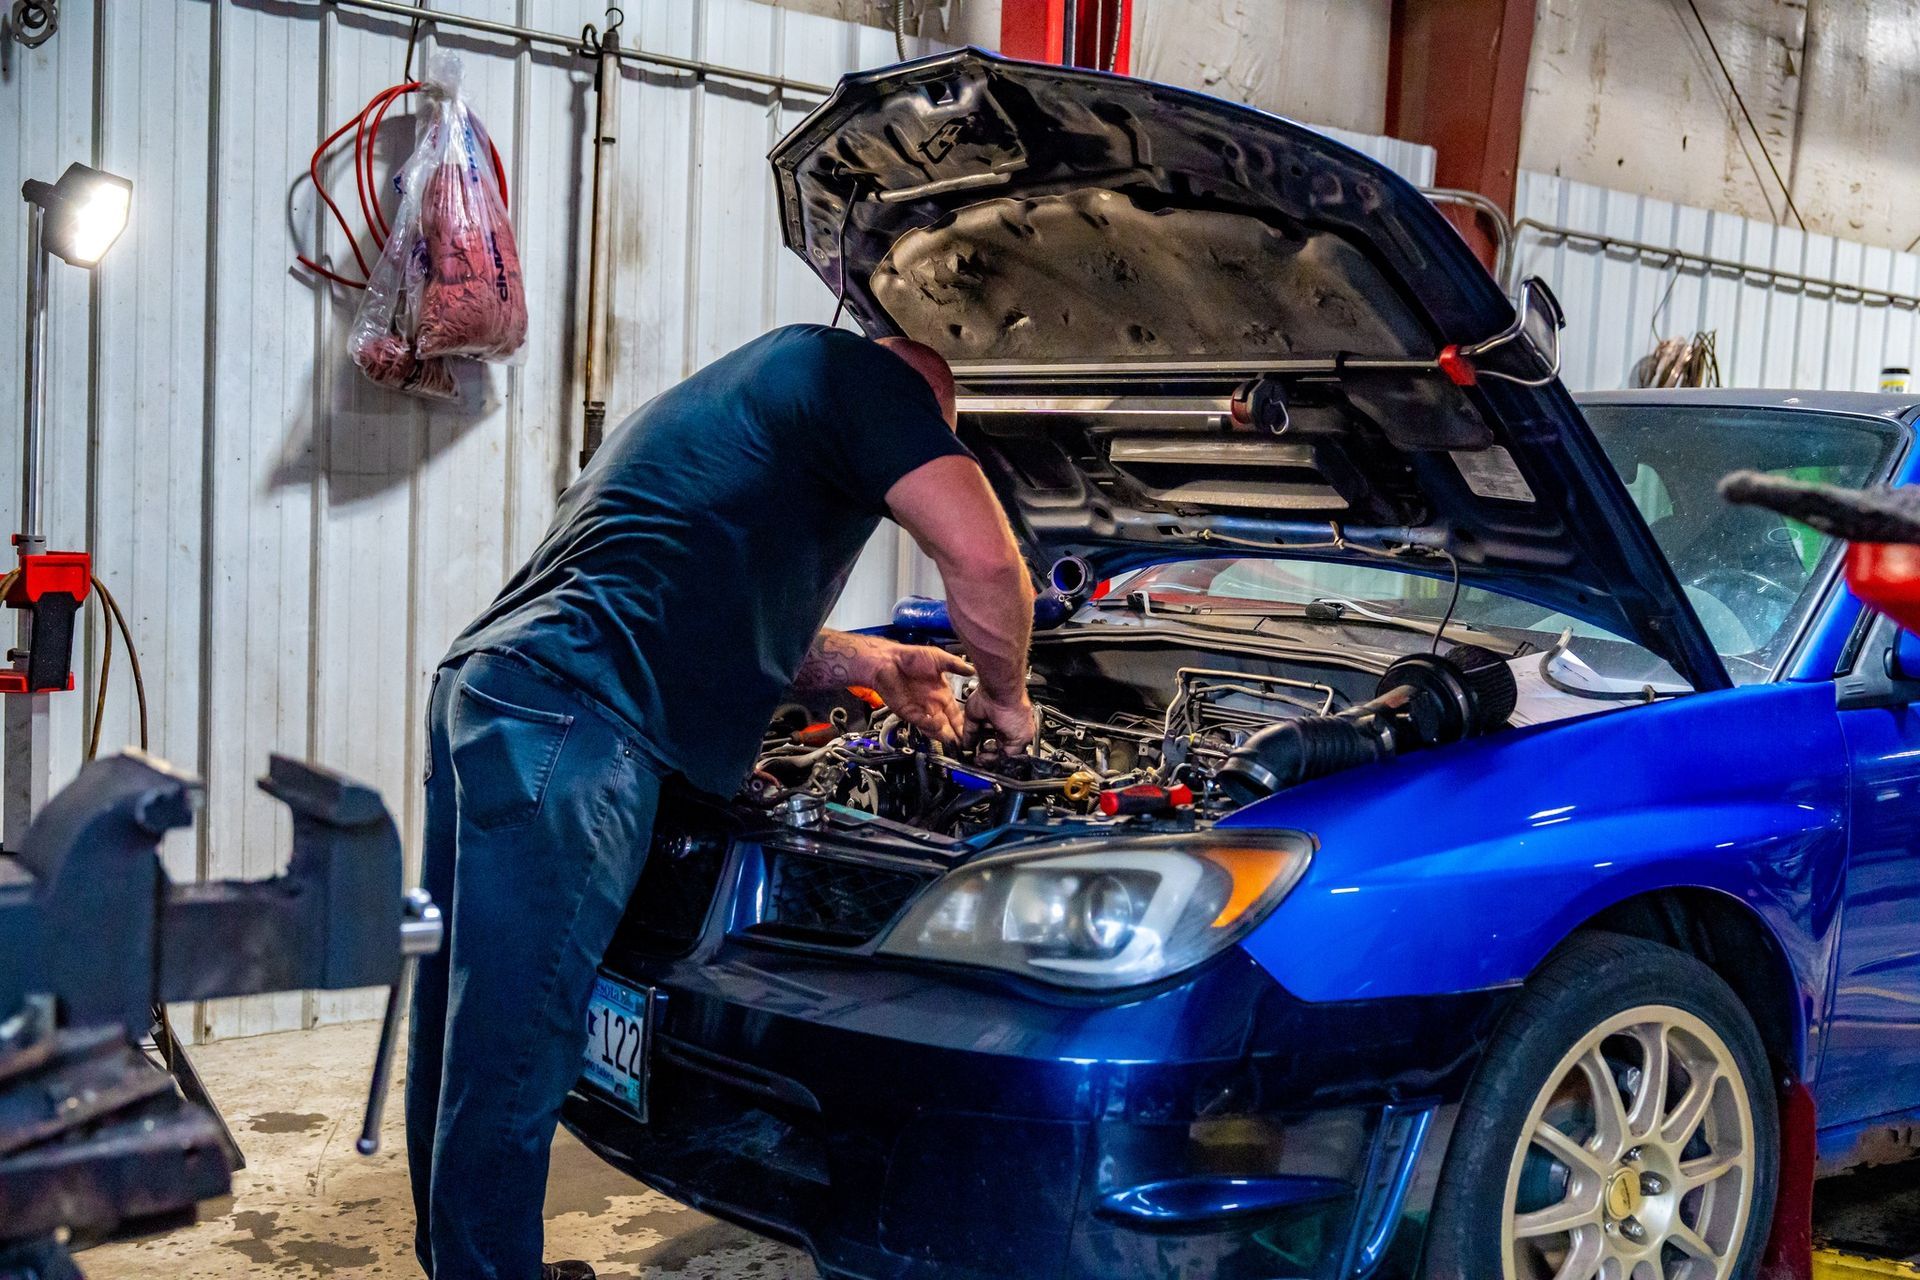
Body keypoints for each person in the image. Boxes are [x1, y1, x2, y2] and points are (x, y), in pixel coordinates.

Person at [405, 324, 1037, 1280]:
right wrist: (1008, 697)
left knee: (470, 1012)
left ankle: (464, 1261)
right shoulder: (864, 379)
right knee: (521, 1035)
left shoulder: (750, 392)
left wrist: (883, 663)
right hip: (577, 720)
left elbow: (719, 603)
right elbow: (986, 565)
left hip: (497, 689)